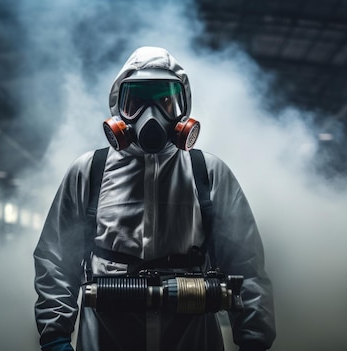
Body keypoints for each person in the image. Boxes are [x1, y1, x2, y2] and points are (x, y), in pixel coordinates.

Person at [33, 46, 276, 351]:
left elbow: (245, 262)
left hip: (190, 335)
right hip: (106, 336)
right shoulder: (89, 171)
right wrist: (55, 335)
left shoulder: (208, 172)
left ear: (183, 108)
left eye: (165, 102)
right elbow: (56, 258)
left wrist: (255, 338)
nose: (152, 117)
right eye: (136, 103)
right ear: (118, 107)